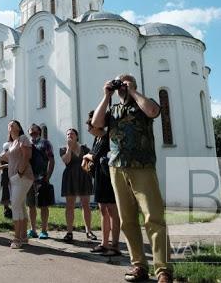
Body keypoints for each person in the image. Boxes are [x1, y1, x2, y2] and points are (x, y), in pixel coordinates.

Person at [91, 74, 173, 283]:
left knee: (153, 217)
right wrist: (106, 96)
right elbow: (96, 124)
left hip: (142, 167)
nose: (121, 87)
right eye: (119, 84)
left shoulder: (144, 103)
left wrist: (133, 91)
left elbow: (154, 112)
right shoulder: (113, 110)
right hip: (117, 168)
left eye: (124, 83)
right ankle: (139, 266)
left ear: (134, 85)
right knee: (127, 220)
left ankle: (163, 269)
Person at [84, 111, 121, 256]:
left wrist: (86, 156)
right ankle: (104, 243)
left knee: (112, 211)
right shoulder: (97, 139)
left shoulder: (107, 137)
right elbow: (93, 154)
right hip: (99, 176)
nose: (89, 131)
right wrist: (89, 157)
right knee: (103, 210)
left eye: (90, 127)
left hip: (109, 177)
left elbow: (94, 155)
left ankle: (115, 245)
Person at [0, 120, 34, 249]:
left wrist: (19, 172)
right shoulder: (12, 143)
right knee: (20, 206)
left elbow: (27, 156)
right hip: (14, 179)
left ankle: (17, 238)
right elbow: (11, 159)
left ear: (19, 128)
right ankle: (24, 237)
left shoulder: (22, 138)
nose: (11, 125)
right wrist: (0, 159)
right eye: (9, 124)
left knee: (15, 205)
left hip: (23, 176)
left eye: (14, 123)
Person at [60, 128, 95, 243]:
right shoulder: (63, 149)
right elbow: (66, 161)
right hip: (70, 178)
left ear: (77, 136)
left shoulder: (84, 148)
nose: (70, 135)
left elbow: (89, 163)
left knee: (86, 204)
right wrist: (69, 148)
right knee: (70, 205)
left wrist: (87, 171)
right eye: (68, 134)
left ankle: (88, 231)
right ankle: (69, 232)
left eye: (72, 134)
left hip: (84, 177)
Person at [26, 124, 55, 240]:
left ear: (39, 131)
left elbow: (51, 160)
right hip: (28, 179)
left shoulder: (45, 143)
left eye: (34, 130)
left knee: (43, 205)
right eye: (30, 130)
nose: (32, 132)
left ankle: (44, 230)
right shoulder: (27, 144)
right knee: (30, 205)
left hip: (42, 178)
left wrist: (48, 176)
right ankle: (32, 229)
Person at [0, 142, 12, 219]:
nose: (7, 151)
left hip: (13, 175)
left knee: (13, 193)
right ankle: (6, 210)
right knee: (5, 193)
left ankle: (14, 211)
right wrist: (5, 166)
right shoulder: (1, 156)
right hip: (4, 176)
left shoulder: (14, 155)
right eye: (6, 150)